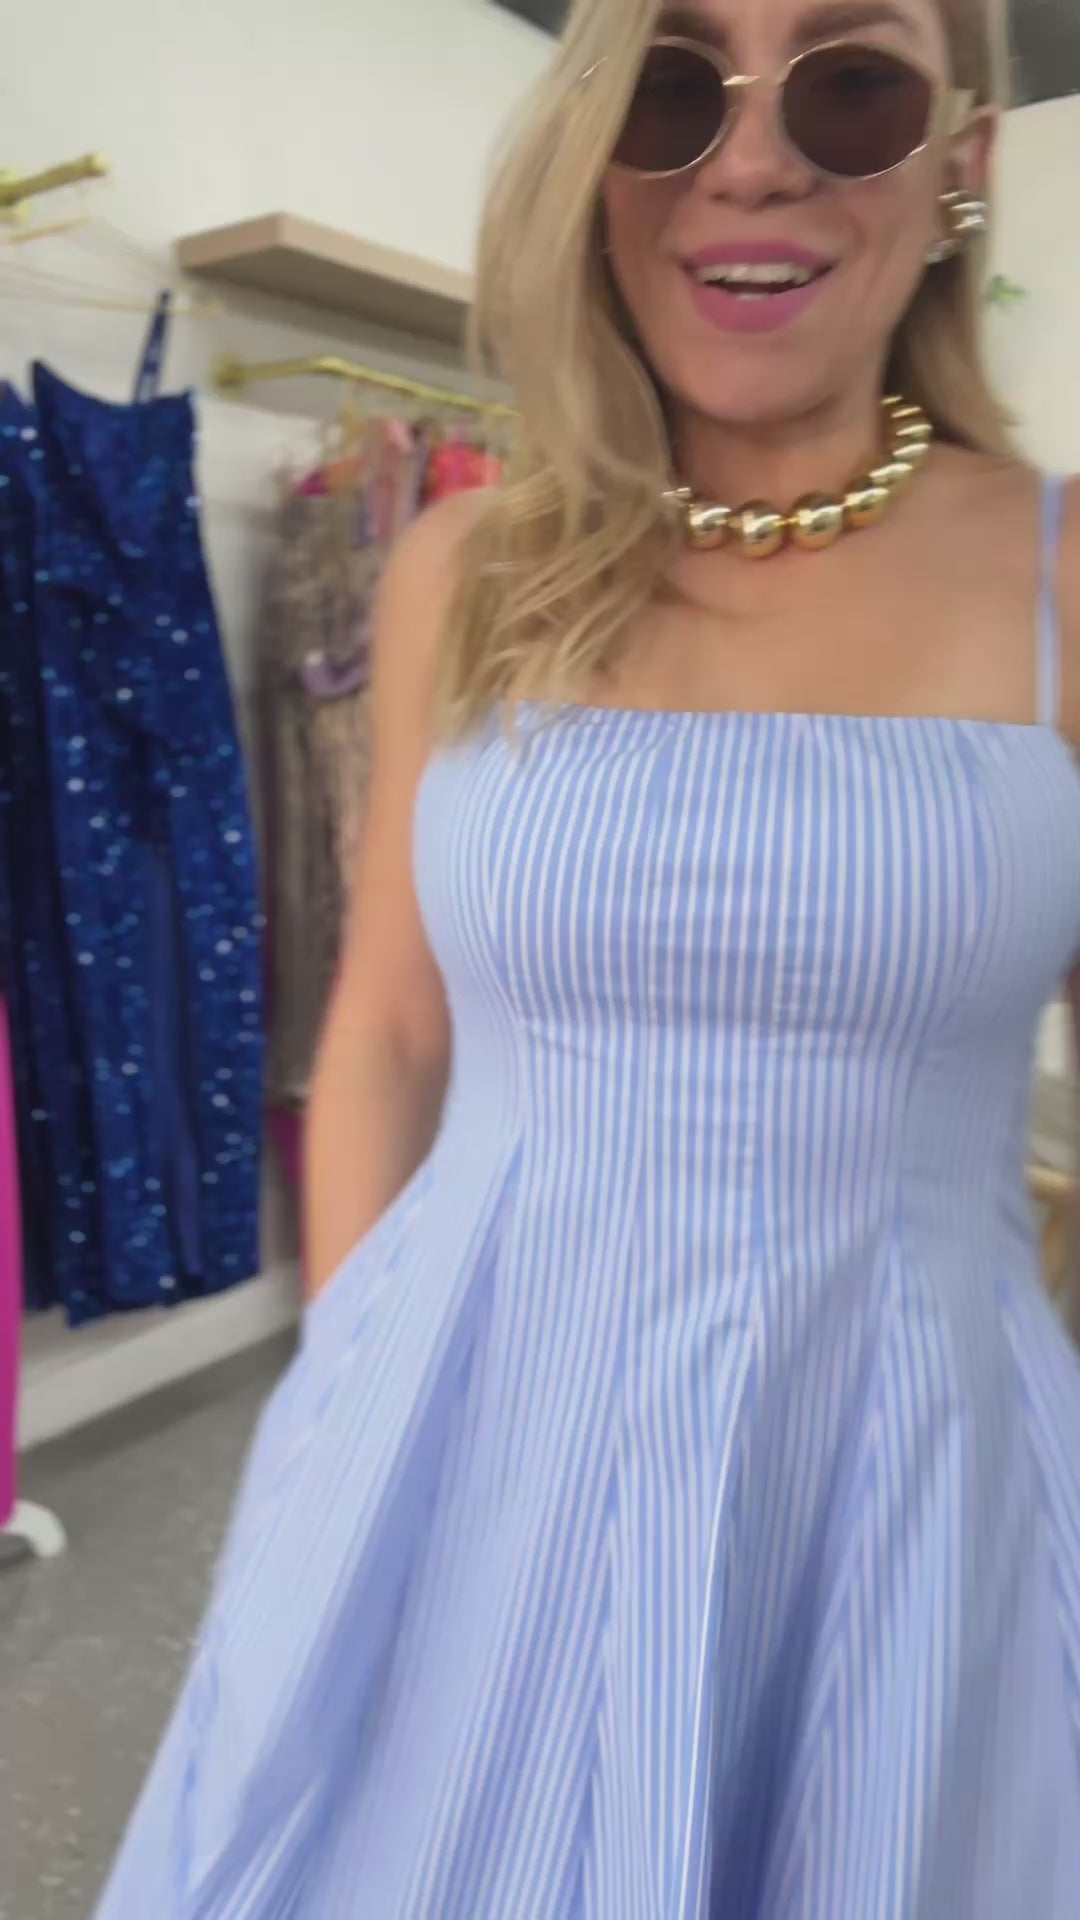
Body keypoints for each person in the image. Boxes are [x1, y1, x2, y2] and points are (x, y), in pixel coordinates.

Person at [99, 0, 1080, 1913]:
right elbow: (390, 1028)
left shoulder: (1063, 576)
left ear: (961, 165)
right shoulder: (465, 570)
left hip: (901, 1477)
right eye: (669, 87)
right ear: (592, 157)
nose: (751, 158)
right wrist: (346, 1406)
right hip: (465, 1445)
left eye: (852, 86)